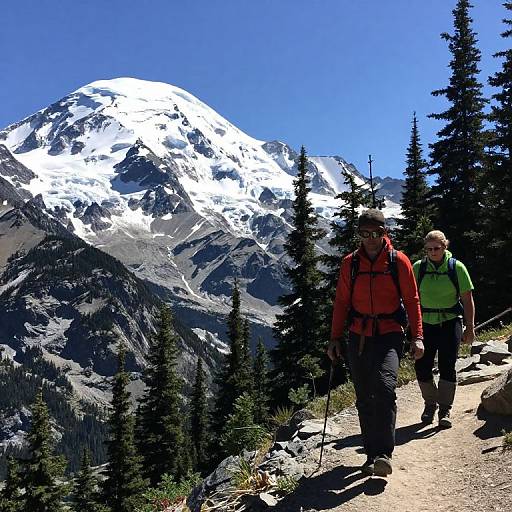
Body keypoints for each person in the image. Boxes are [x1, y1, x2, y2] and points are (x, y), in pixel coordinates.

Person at [328, 209, 424, 478]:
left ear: (385, 233)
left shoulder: (398, 261)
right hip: (358, 335)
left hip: (389, 333)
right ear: (359, 234)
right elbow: (341, 303)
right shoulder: (351, 263)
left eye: (376, 233)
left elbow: (412, 300)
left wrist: (418, 336)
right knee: (364, 395)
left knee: (384, 387)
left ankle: (384, 453)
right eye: (365, 233)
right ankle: (371, 454)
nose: (371, 238)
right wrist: (335, 338)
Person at [413, 230, 475, 429]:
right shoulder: (418, 268)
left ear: (444, 247)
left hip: (450, 322)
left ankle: (445, 409)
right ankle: (430, 404)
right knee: (422, 366)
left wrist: (470, 327)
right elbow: (410, 298)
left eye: (436, 248)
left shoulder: (456, 267)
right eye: (429, 249)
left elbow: (467, 299)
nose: (433, 252)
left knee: (448, 365)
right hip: (426, 323)